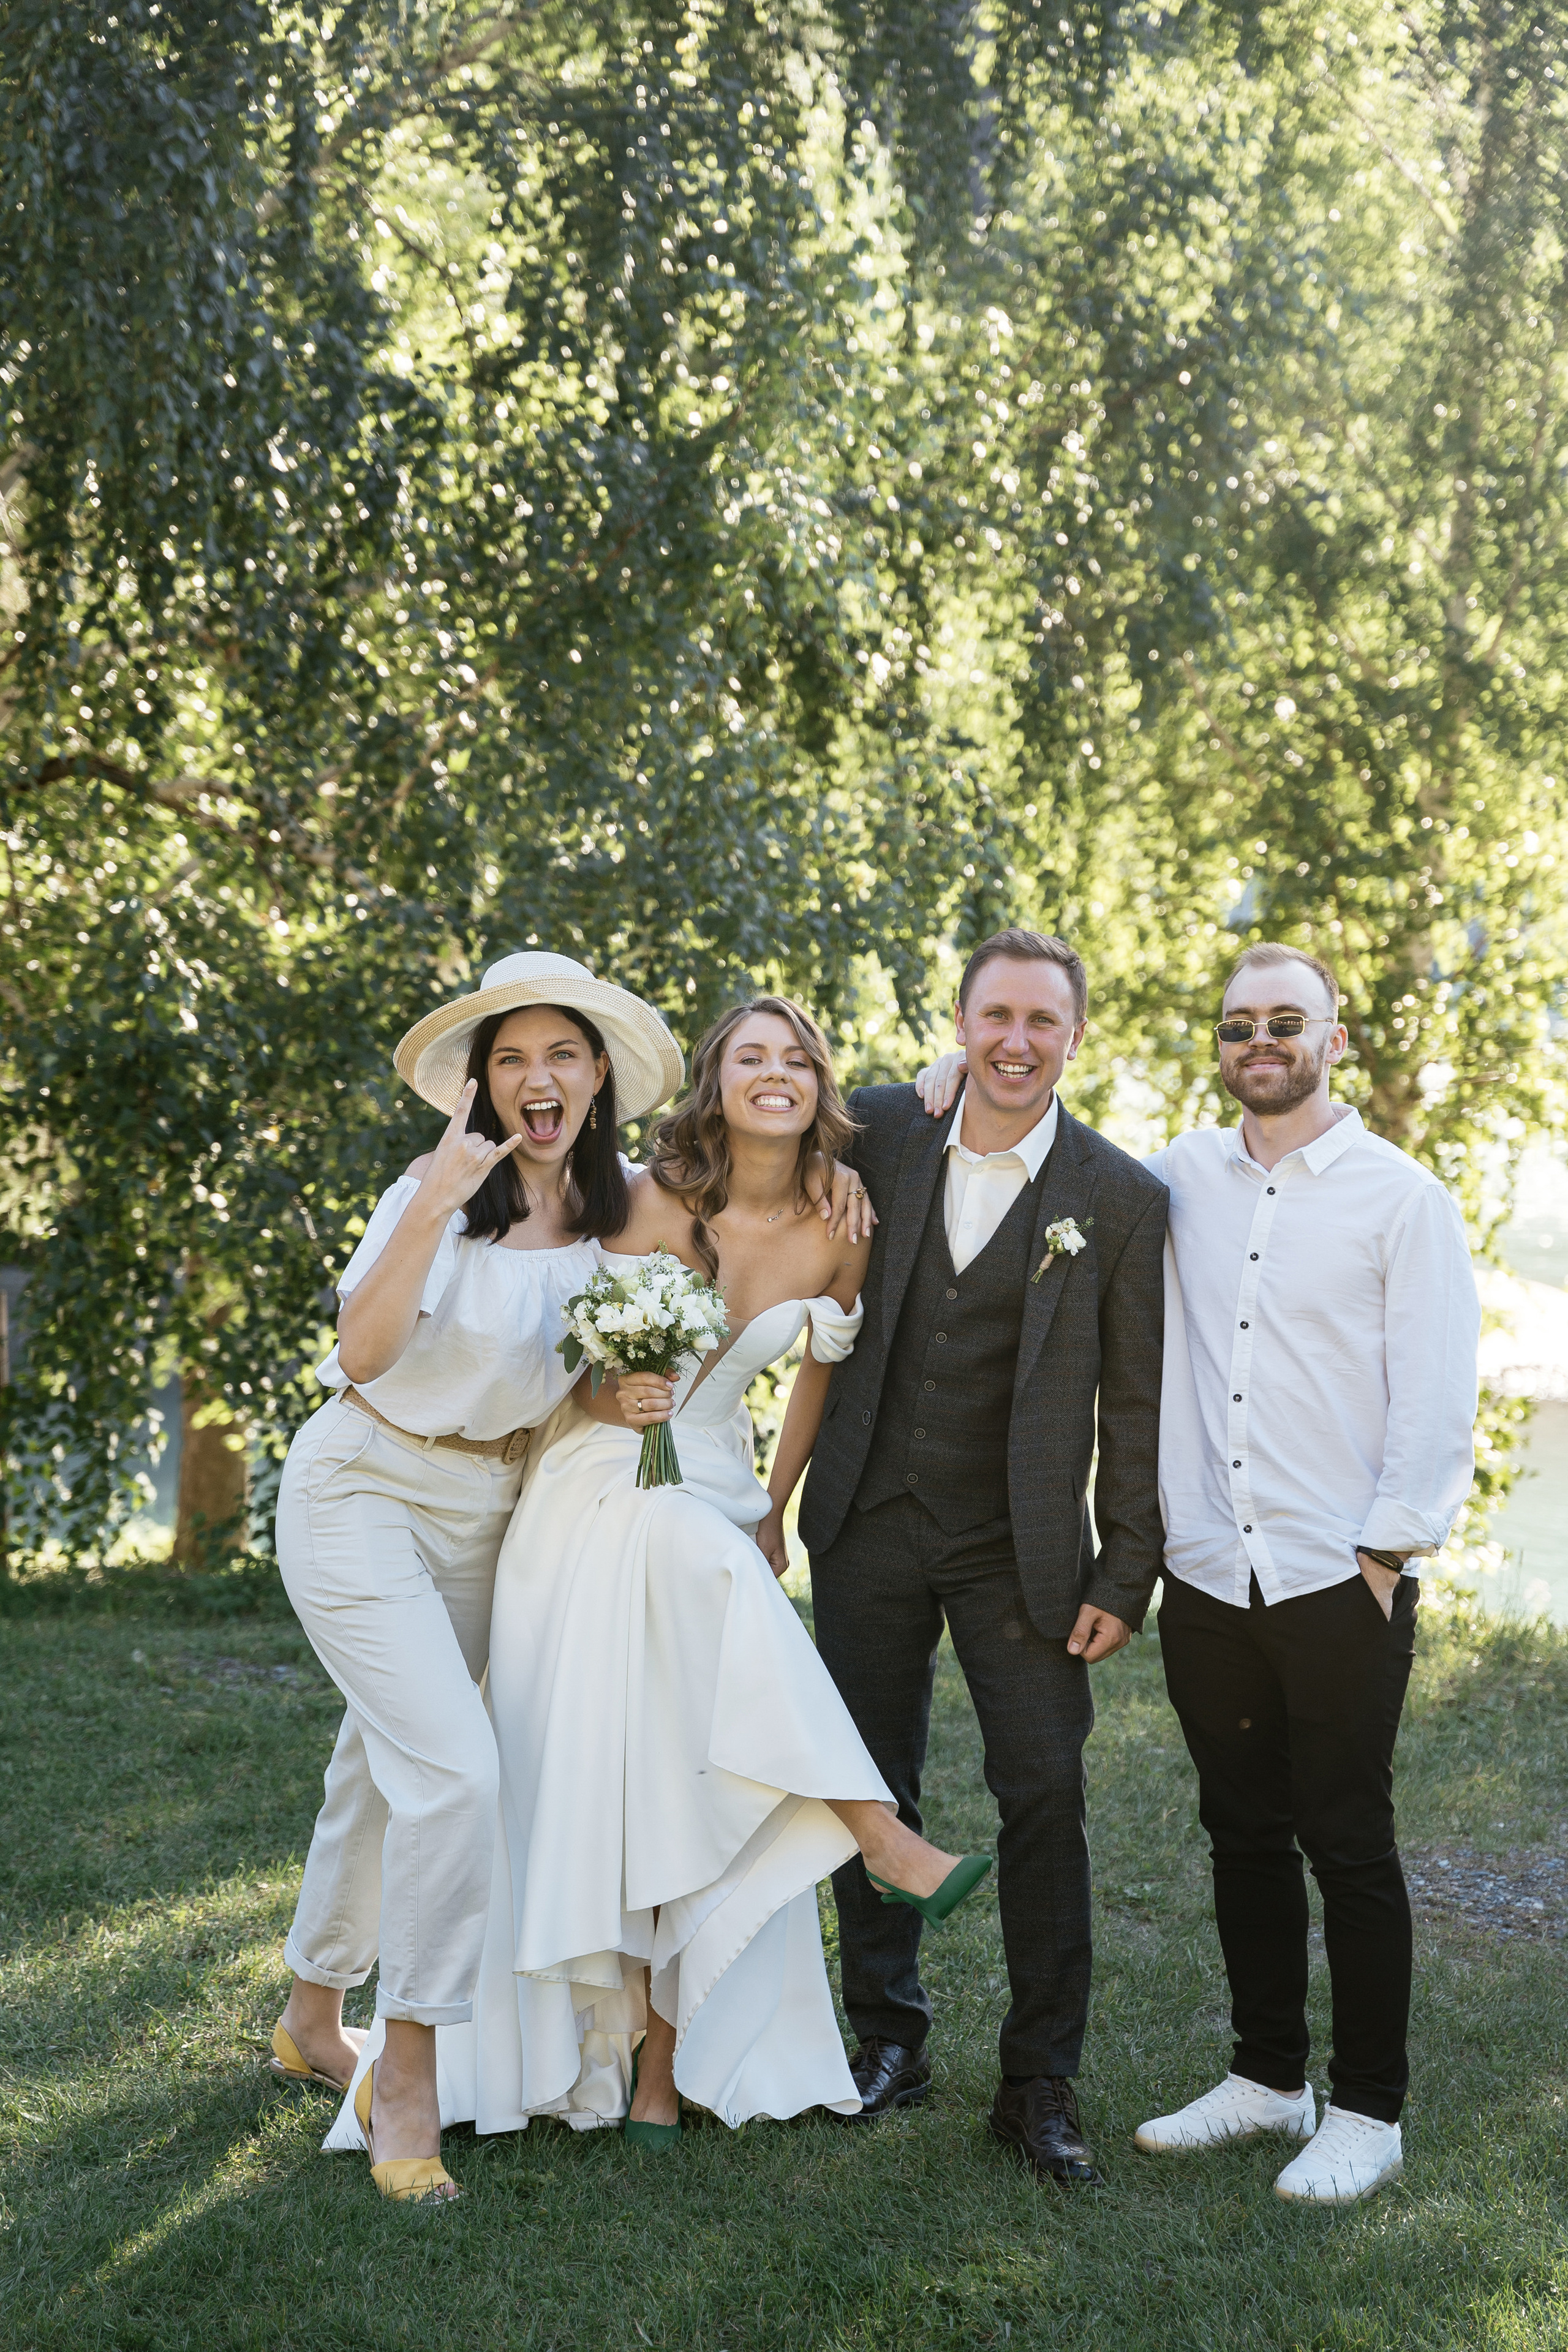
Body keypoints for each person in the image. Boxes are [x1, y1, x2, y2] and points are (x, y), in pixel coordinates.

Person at [322, 993, 990, 2157]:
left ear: (821, 1084)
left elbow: (820, 1378)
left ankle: (664, 2076)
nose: (771, 1073)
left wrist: (773, 1506)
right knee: (697, 1562)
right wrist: (609, 1396)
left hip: (718, 1481)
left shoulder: (845, 1219)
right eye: (747, 1057)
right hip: (596, 1480)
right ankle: (875, 1832)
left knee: (693, 1730)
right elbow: (570, 1366)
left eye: (794, 1058)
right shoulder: (645, 1197)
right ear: (714, 1082)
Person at [271, 951, 683, 2198]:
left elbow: (586, 1376)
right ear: (482, 1082)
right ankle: (407, 2071)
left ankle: (305, 2013)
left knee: (377, 1763)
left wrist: (634, 1391)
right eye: (510, 1058)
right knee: (453, 1775)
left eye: (559, 1052)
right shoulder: (432, 1189)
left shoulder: (617, 1219)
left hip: (488, 1511)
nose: (534, 1077)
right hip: (360, 1486)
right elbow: (360, 1348)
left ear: (597, 1074)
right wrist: (432, 1200)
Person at [810, 927, 1169, 2186]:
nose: (1015, 1042)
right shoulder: (878, 1130)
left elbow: (1134, 1403)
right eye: (993, 1016)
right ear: (957, 1024)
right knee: (866, 1782)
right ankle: (887, 2041)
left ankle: (1036, 2085)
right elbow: (735, 1131)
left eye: (1041, 1022)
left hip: (1020, 1549)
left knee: (1045, 1799)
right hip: (864, 1514)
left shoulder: (1119, 1199)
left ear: (1075, 1039)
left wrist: (1125, 1571)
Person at [1132, 941, 1479, 2205]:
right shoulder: (1175, 1179)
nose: (1258, 1042)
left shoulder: (1399, 1198)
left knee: (1346, 1838)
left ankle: (1368, 2112)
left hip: (1340, 1575)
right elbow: (1046, 1154)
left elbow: (1437, 1397)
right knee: (1239, 1833)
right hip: (1210, 1573)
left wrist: (1385, 1553)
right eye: (1236, 1025)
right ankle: (1267, 2080)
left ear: (1334, 1039)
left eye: (1285, 1022)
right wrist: (957, 1071)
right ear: (1218, 1048)